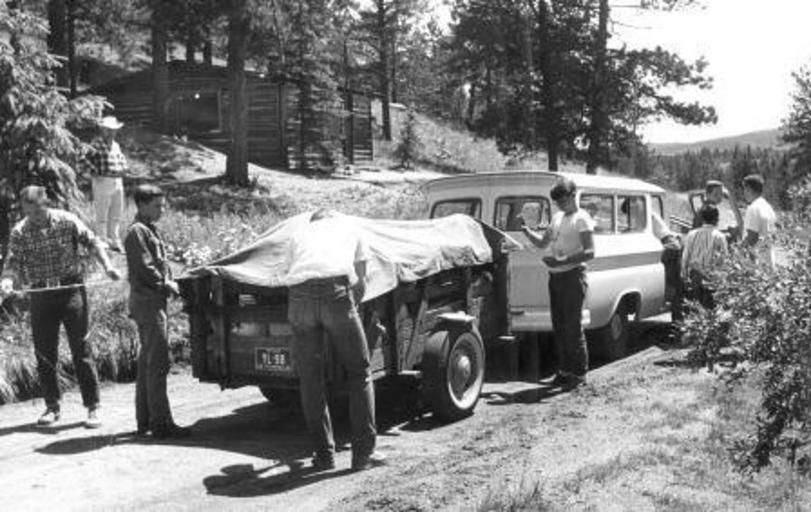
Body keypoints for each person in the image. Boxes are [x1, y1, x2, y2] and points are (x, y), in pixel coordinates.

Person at [0, 185, 121, 427]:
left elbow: (93, 243)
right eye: (28, 212)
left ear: (46, 203)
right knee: (45, 354)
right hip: (41, 296)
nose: (33, 217)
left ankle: (93, 407)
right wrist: (7, 281)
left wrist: (108, 267)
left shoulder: (67, 221)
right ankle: (52, 407)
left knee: (81, 350)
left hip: (71, 291)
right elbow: (13, 262)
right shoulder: (20, 231)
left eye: (37, 211)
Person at [285, 209, 384, 472]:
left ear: (314, 222)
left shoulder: (298, 233)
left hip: (299, 296)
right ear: (333, 218)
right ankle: (363, 455)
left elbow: (289, 271)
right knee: (360, 373)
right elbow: (361, 283)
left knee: (310, 379)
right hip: (335, 292)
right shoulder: (350, 227)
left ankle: (323, 456)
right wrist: (348, 313)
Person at [124, 185, 191, 439]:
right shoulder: (137, 232)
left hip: (152, 301)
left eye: (162, 205)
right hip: (148, 303)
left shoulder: (148, 229)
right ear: (141, 205)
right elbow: (145, 267)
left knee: (147, 363)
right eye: (156, 206)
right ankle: (161, 423)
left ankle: (146, 421)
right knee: (158, 362)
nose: (161, 210)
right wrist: (166, 284)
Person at [522, 178, 595, 390]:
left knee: (572, 327)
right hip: (556, 277)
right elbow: (542, 243)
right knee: (560, 326)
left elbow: (590, 252)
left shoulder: (582, 219)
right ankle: (564, 371)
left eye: (562, 200)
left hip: (573, 276)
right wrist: (526, 230)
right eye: (557, 202)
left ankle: (579, 373)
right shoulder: (557, 218)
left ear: (573, 195)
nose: (560, 205)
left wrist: (560, 261)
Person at [82, 115, 128, 252]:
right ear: (103, 130)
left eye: (113, 130)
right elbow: (82, 158)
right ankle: (102, 241)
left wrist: (124, 168)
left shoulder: (116, 146)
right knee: (102, 213)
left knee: (116, 212)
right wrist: (93, 171)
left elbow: (122, 160)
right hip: (102, 180)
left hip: (117, 180)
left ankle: (114, 241)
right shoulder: (95, 144)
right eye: (108, 129)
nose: (111, 132)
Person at [681, 204, 728, 309]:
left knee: (696, 306)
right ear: (717, 219)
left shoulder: (692, 234)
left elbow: (686, 256)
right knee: (710, 308)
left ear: (702, 219)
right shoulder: (720, 236)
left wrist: (684, 274)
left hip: (695, 275)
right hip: (712, 277)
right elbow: (724, 259)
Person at [741, 174, 776, 270]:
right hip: (769, 259)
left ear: (749, 189)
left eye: (744, 189)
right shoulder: (768, 207)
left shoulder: (753, 208)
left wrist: (738, 250)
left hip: (757, 263)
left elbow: (752, 237)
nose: (744, 192)